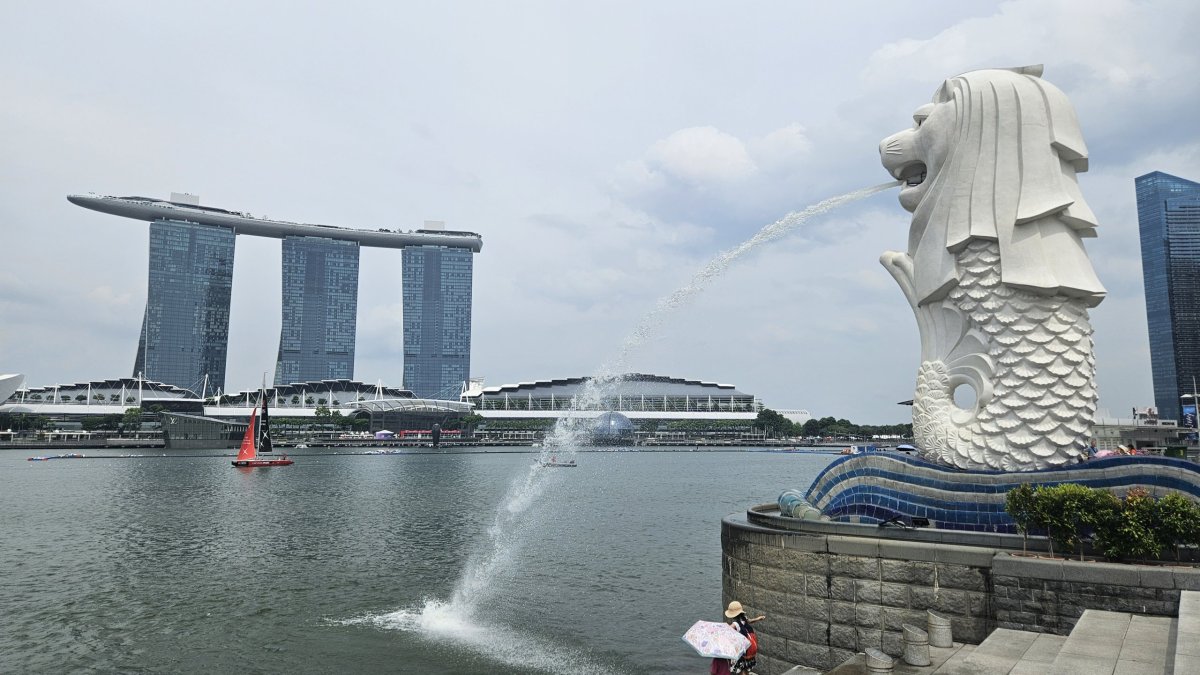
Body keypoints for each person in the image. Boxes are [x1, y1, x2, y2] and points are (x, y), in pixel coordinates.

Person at [725, 601, 765, 674]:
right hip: (748, 646)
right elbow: (750, 621)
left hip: (742, 649)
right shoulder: (744, 619)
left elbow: (728, 630)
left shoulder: (735, 623)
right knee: (745, 667)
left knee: (741, 668)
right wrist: (758, 618)